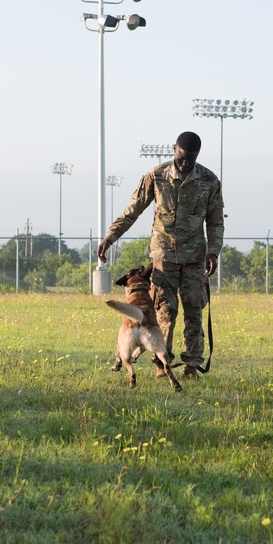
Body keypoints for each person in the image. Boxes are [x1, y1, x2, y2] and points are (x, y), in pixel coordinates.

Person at [97, 131, 224, 379]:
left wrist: (213, 252)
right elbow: (132, 210)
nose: (185, 163)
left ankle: (191, 366)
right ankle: (161, 364)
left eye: (191, 159)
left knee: (194, 311)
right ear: (174, 148)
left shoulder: (209, 180)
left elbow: (216, 222)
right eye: (181, 157)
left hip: (195, 258)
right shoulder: (156, 176)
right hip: (163, 258)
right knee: (164, 312)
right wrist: (110, 237)